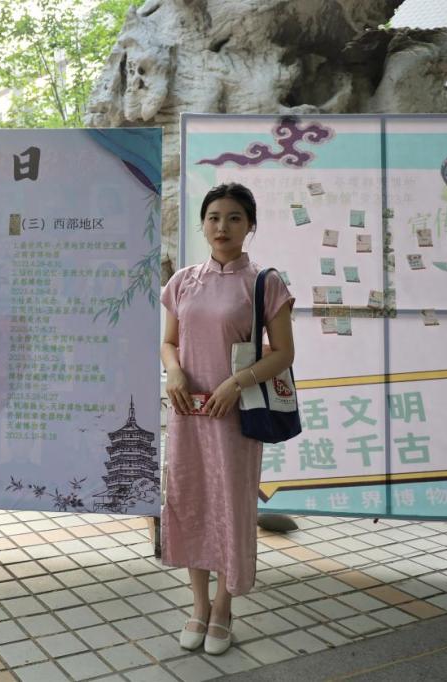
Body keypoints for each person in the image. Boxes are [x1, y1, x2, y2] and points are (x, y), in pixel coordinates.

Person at [160, 183, 295, 655]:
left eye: (234, 218)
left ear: (250, 225)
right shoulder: (182, 281)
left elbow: (283, 353)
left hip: (236, 417)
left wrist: (235, 384)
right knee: (190, 502)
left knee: (231, 508)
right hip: (188, 413)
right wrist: (175, 372)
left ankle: (223, 608)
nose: (222, 227)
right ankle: (198, 605)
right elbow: (169, 341)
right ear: (202, 224)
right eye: (214, 217)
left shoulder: (264, 283)